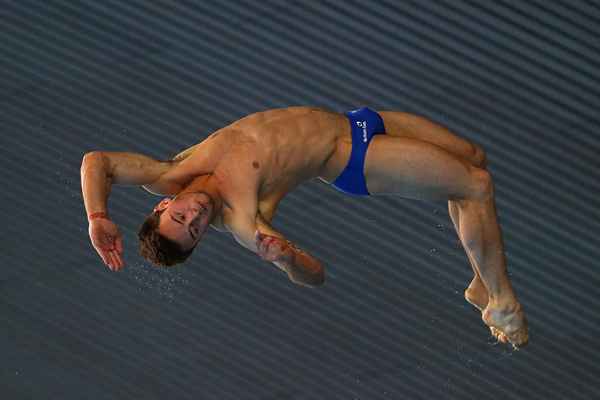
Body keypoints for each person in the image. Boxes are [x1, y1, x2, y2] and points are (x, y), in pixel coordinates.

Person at [80, 106, 528, 348]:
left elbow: (97, 162)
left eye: (181, 217)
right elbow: (316, 276)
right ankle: (500, 301)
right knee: (474, 187)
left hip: (357, 120)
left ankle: (478, 282)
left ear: (163, 205)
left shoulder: (168, 171)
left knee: (472, 160)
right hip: (354, 159)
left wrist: (97, 216)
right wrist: (289, 259)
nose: (195, 216)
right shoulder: (241, 219)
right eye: (195, 229)